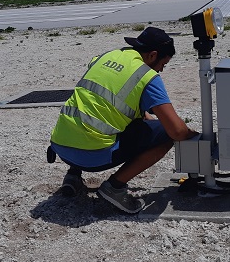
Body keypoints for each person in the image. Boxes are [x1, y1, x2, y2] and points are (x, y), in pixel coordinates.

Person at [48, 27, 198, 213]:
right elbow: (176, 131)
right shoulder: (146, 76)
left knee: (89, 116)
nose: (161, 70)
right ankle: (114, 187)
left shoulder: (104, 57)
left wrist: (146, 118)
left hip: (61, 146)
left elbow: (111, 103)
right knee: (166, 135)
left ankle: (73, 176)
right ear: (153, 55)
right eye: (163, 64)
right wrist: (190, 133)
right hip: (93, 157)